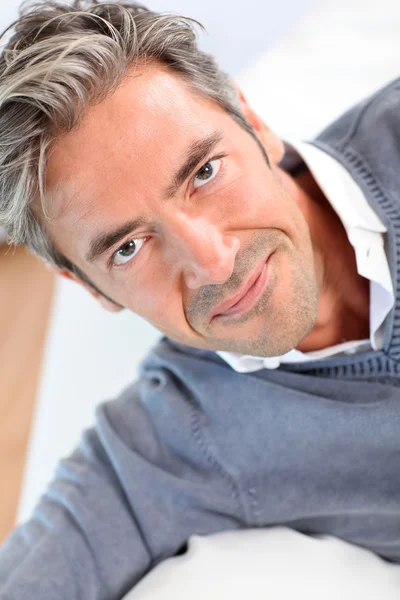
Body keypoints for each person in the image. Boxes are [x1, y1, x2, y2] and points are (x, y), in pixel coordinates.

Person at [0, 0, 399, 598]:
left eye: (205, 173)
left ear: (254, 122)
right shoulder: (178, 441)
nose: (213, 262)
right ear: (91, 288)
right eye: (129, 248)